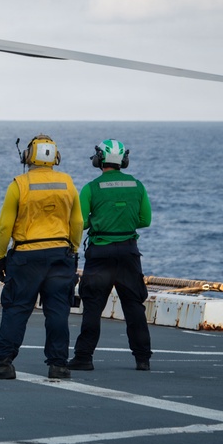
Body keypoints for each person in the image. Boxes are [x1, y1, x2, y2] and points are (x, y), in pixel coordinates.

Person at [0, 135, 82, 380]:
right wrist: (73, 250)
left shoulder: (19, 184)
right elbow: (77, 222)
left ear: (27, 157)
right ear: (55, 157)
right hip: (61, 255)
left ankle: (4, 363)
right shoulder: (67, 183)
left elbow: (4, 227)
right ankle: (58, 364)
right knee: (58, 310)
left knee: (16, 309)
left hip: (26, 256)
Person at [70, 139, 153, 371]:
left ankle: (84, 357)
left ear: (99, 159)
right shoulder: (137, 186)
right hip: (128, 252)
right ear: (123, 160)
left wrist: (101, 221)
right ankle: (143, 358)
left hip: (100, 253)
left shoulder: (91, 188)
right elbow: (145, 220)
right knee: (134, 306)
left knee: (93, 306)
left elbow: (80, 222)